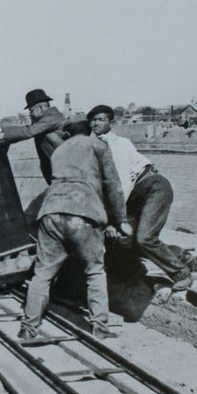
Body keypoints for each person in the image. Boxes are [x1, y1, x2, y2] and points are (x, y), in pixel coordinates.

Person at [20, 116, 132, 340]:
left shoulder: (60, 150)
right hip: (83, 211)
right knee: (95, 271)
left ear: (68, 134)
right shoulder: (98, 145)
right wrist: (120, 220)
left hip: (51, 211)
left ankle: (28, 327)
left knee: (42, 274)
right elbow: (112, 184)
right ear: (89, 130)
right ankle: (100, 327)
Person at [87, 104, 193, 291]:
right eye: (93, 120)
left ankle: (181, 273)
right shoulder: (95, 146)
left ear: (111, 123)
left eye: (101, 119)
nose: (96, 123)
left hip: (152, 188)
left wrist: (115, 220)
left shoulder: (119, 145)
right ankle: (173, 255)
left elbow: (121, 183)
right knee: (122, 240)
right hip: (134, 197)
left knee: (144, 238)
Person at [0, 88, 65, 184]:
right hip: (57, 166)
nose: (30, 114)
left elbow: (29, 131)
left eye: (31, 111)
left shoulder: (51, 117)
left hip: (62, 167)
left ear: (40, 108)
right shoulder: (48, 118)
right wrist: (1, 130)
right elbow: (26, 129)